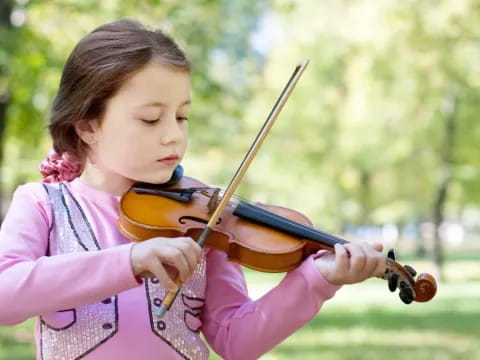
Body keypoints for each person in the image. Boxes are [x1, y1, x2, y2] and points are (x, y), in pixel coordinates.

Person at [0, 19, 386, 360]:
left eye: (182, 116)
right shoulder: (43, 204)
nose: (173, 136)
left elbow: (237, 341)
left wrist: (316, 281)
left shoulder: (206, 219)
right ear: (87, 126)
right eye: (151, 119)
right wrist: (129, 261)